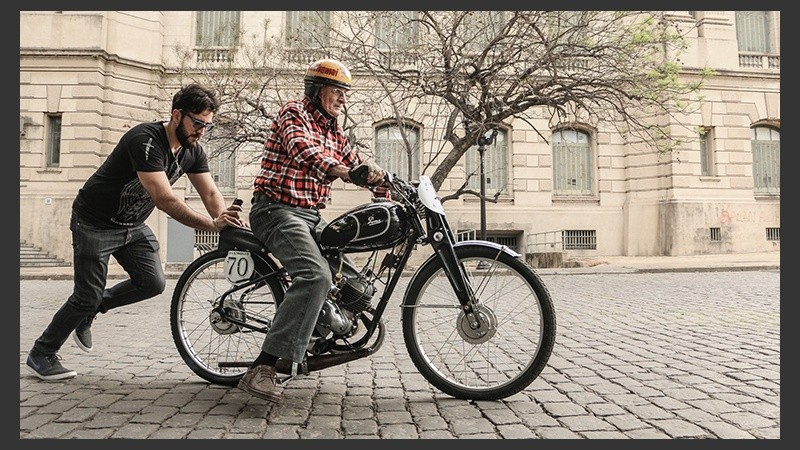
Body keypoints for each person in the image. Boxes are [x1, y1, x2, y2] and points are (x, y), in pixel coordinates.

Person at [26, 83, 245, 381]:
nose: (202, 132)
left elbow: (209, 193)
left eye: (208, 125)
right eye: (197, 123)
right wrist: (210, 225)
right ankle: (42, 353)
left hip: (132, 226)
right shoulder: (144, 139)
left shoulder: (193, 151)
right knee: (84, 295)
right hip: (94, 222)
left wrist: (223, 218)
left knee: (152, 282)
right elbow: (164, 198)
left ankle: (93, 306)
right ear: (177, 115)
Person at [239, 59, 388, 402]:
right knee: (316, 276)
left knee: (355, 284)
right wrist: (344, 172)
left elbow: (358, 164)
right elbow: (304, 150)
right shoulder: (295, 113)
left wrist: (388, 185)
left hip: (309, 215)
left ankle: (312, 337)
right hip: (276, 210)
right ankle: (263, 369)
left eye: (345, 93)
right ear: (318, 90)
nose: (343, 99)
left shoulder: (335, 131)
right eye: (338, 91)